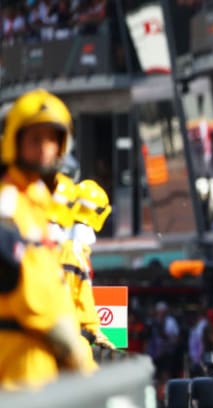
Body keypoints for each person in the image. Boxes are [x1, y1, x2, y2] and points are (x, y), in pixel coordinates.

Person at [0, 89, 93, 388]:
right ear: (15, 141)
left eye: (52, 139)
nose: (44, 149)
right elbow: (27, 288)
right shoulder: (7, 203)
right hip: (16, 361)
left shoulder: (37, 202)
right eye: (34, 139)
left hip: (40, 360)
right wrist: (68, 343)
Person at [58, 179, 113, 363]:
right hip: (70, 338)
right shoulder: (72, 252)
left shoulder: (67, 248)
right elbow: (76, 297)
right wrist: (93, 329)